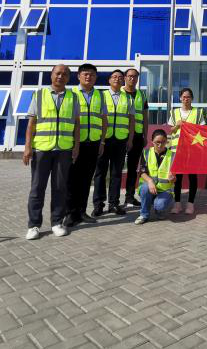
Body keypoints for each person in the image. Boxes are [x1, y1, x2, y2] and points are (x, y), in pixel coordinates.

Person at [23, 64, 80, 239]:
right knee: (37, 188)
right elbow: (31, 123)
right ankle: (34, 225)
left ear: (68, 77)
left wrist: (76, 146)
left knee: (60, 188)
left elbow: (77, 124)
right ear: (51, 75)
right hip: (42, 149)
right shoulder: (39, 95)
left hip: (64, 149)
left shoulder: (73, 97)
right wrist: (28, 147)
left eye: (64, 74)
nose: (60, 76)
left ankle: (57, 222)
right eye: (58, 73)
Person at [64, 63, 104, 227]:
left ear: (96, 77)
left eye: (92, 74)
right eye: (85, 74)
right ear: (78, 76)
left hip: (93, 143)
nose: (89, 77)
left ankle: (81, 211)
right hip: (75, 144)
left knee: (87, 179)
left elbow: (104, 119)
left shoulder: (100, 95)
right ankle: (70, 213)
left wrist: (102, 141)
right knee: (71, 179)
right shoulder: (70, 93)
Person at [92, 69, 135, 217]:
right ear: (109, 80)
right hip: (104, 140)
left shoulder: (128, 98)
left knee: (116, 173)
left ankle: (114, 204)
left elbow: (132, 120)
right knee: (100, 173)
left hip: (121, 140)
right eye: (114, 77)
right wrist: (100, 140)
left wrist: (130, 139)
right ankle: (98, 204)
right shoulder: (101, 96)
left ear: (123, 80)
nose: (117, 79)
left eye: (120, 77)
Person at [167, 87, 205, 214]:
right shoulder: (174, 112)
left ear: (192, 98)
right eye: (183, 97)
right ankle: (177, 204)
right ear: (180, 98)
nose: (186, 99)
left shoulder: (198, 113)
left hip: (192, 149)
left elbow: (203, 130)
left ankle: (190, 204)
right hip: (176, 149)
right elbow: (170, 130)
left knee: (192, 177)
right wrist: (177, 125)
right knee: (177, 177)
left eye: (188, 97)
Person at [134, 129, 176, 224]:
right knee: (144, 189)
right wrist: (150, 181)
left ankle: (159, 209)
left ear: (166, 141)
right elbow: (141, 172)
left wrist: (173, 178)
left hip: (165, 190)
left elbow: (175, 178)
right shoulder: (146, 153)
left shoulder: (172, 155)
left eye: (163, 142)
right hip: (149, 187)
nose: (160, 145)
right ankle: (144, 215)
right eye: (157, 142)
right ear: (152, 141)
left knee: (160, 205)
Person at [122, 67, 149, 209]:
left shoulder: (141, 95)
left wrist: (145, 135)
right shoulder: (119, 93)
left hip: (137, 136)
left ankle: (130, 197)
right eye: (130, 76)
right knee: (116, 169)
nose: (132, 79)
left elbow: (145, 117)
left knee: (133, 168)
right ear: (125, 78)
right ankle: (111, 202)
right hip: (120, 135)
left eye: (135, 76)